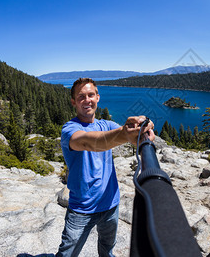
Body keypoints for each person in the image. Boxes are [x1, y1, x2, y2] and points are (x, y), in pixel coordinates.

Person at [56, 78, 154, 257]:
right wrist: (124, 133)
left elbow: (124, 136)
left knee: (107, 251)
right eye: (81, 97)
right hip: (81, 209)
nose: (87, 100)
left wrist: (140, 131)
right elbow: (90, 142)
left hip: (111, 205)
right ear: (73, 102)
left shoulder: (106, 125)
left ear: (97, 97)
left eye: (91, 95)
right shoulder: (69, 129)